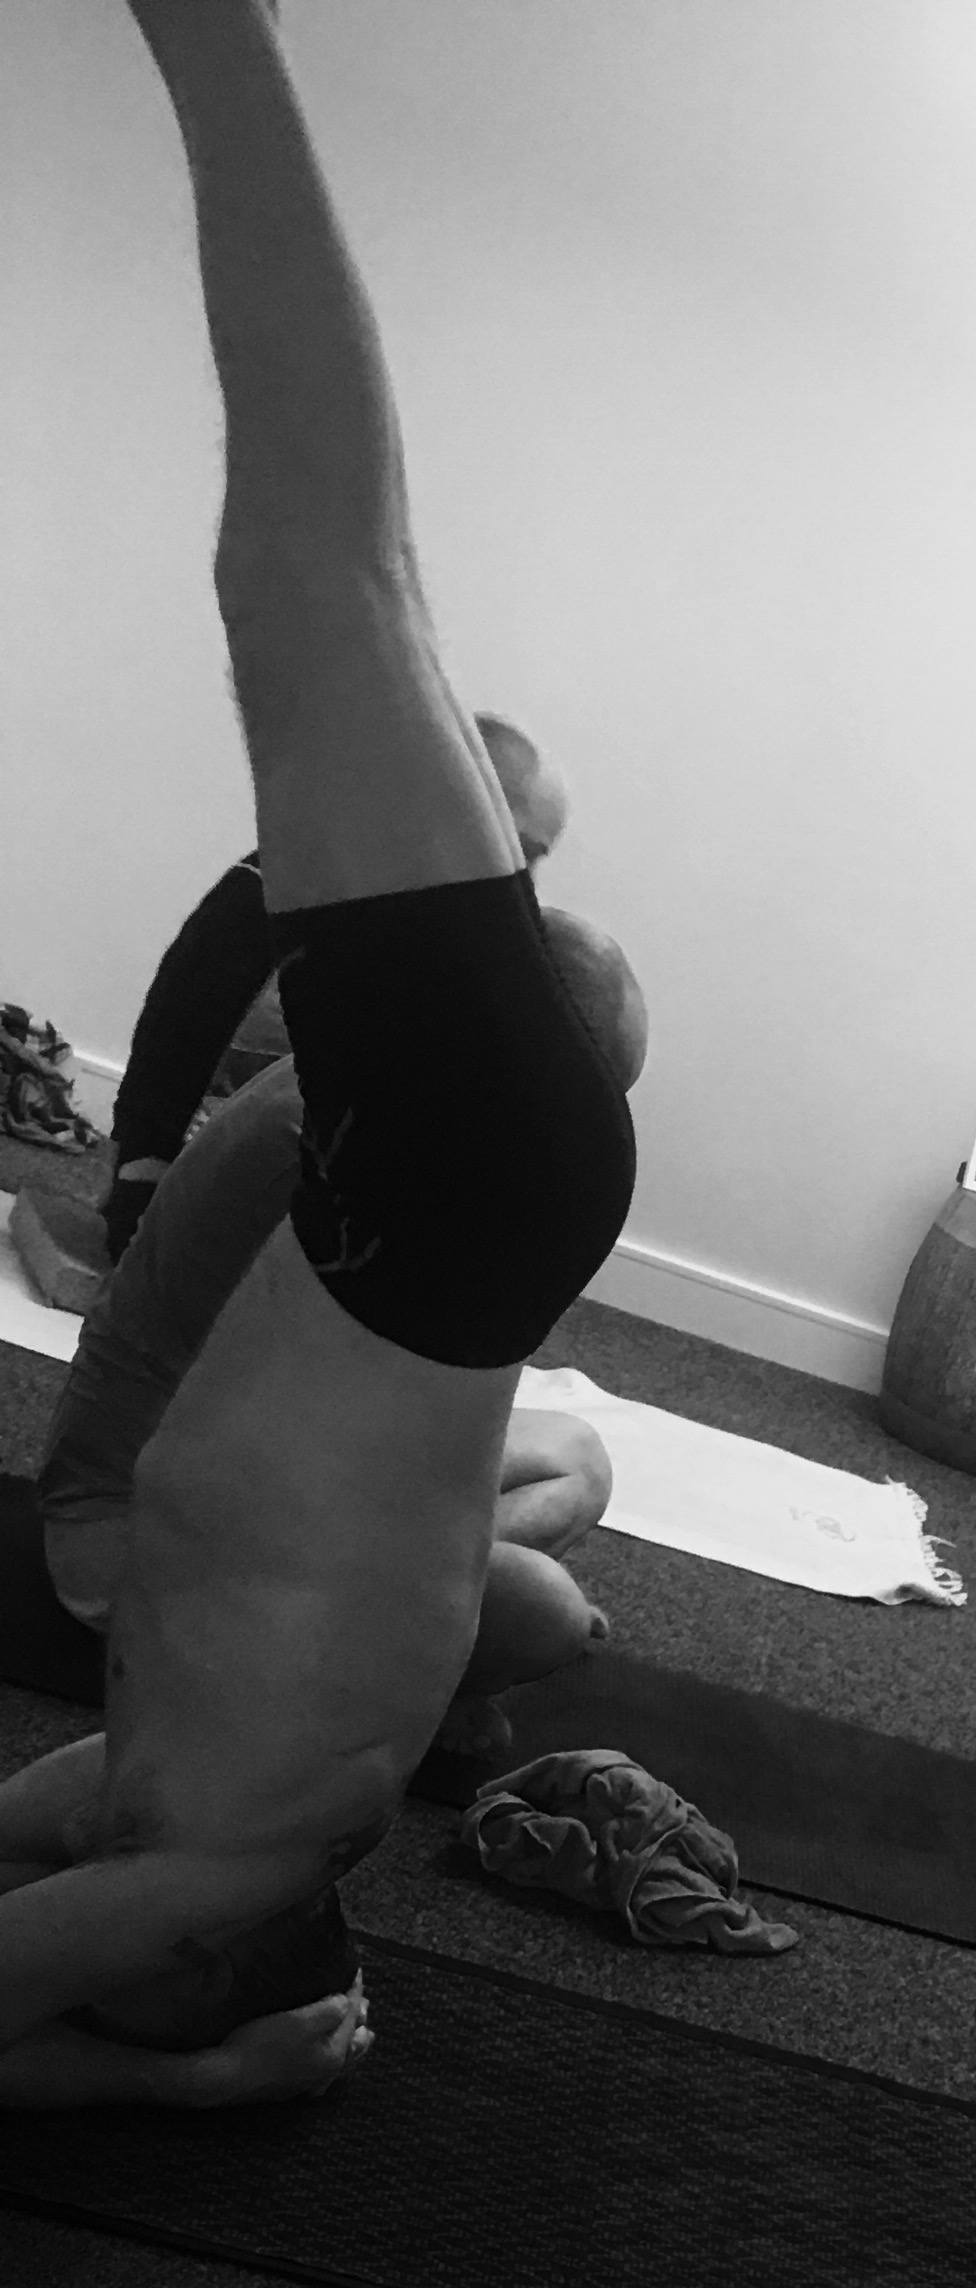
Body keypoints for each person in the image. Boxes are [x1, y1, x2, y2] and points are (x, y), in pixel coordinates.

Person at [0, 3, 646, 2107]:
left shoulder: (169, 1789)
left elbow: (33, 1854)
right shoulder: (230, 1847)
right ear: (183, 1962)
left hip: (432, 1218)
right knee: (316, 580)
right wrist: (189, 2085)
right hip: (444, 1204)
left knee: (338, 593)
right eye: (97, 1959)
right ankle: (217, 32)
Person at [39, 1026, 631, 1698]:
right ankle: (358, 1691)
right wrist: (463, 1605)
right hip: (135, 1553)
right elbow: (389, 1453)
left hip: (193, 1487)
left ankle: (390, 1655)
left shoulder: (362, 1064)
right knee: (544, 1613)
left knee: (576, 1457)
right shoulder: (372, 1161)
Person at [98, 709, 569, 1264]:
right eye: (519, 851)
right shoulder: (277, 894)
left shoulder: (455, 945)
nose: (524, 883)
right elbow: (170, 1054)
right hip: (211, 1208)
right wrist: (140, 1185)